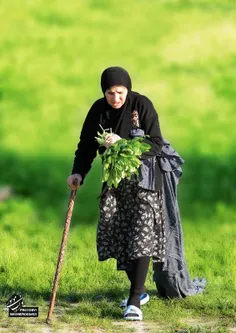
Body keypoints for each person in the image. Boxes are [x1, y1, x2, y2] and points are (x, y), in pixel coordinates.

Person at [67, 66, 165, 321]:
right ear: (104, 92)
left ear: (127, 89)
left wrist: (122, 143)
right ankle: (140, 290)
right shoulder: (98, 110)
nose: (116, 98)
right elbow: (86, 145)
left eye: (120, 92)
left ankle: (134, 301)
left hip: (145, 182)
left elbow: (155, 143)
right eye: (110, 92)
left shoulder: (141, 105)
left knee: (141, 232)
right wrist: (79, 172)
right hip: (115, 183)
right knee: (119, 233)